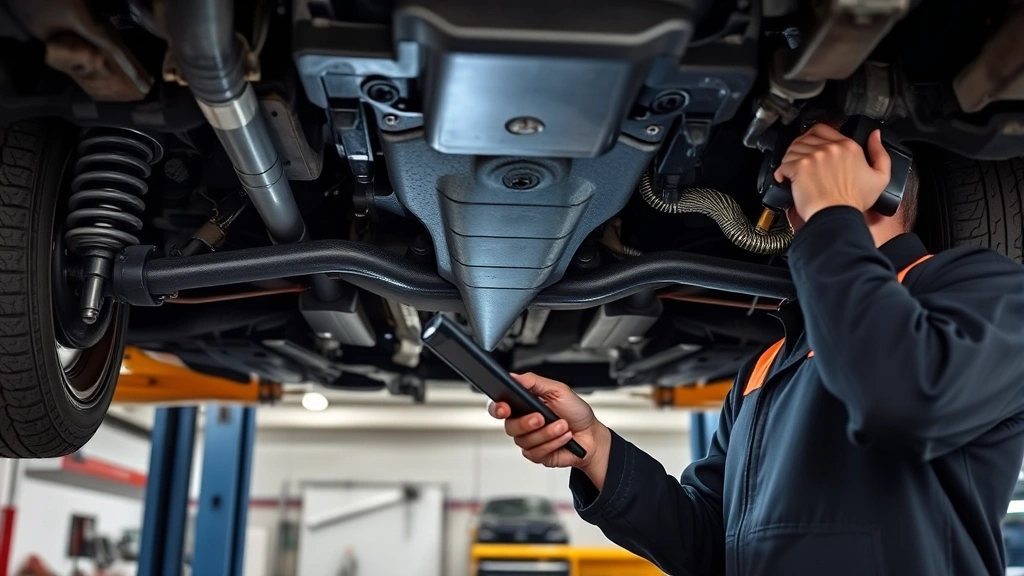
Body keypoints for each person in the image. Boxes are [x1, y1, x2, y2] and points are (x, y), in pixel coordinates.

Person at [488, 122, 1024, 575]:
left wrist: (834, 214)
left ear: (888, 181)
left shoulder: (987, 290)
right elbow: (710, 546)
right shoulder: (764, 370)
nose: (792, 208)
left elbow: (907, 398)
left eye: (810, 179)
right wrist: (598, 449)